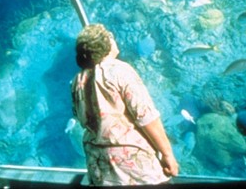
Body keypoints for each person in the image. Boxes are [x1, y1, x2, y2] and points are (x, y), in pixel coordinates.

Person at [70, 24, 179, 186]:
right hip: (132, 164)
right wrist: (168, 154)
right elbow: (146, 116)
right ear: (106, 44)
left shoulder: (78, 80)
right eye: (110, 37)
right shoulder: (120, 70)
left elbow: (81, 118)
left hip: (99, 166)